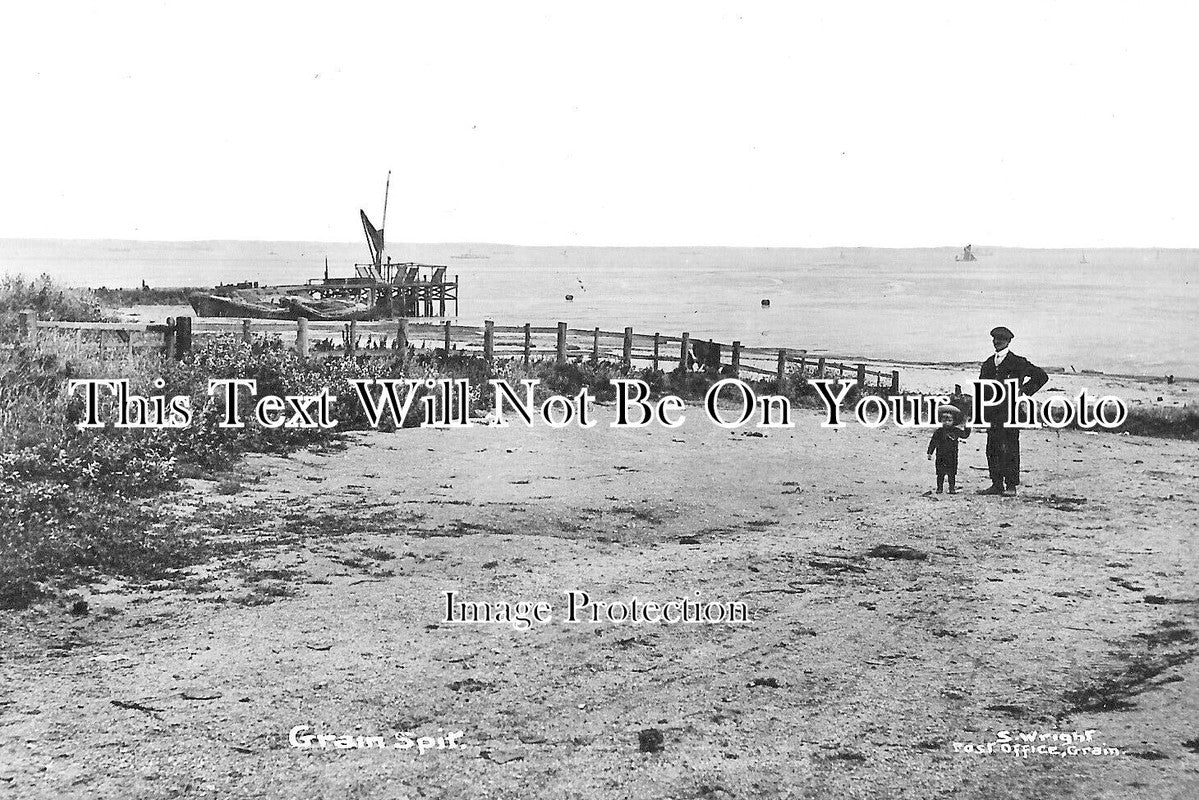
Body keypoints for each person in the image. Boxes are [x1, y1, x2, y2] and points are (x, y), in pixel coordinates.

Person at [977, 326, 1048, 496]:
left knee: (1010, 448)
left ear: (1008, 341)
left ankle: (1011, 486)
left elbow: (1041, 376)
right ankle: (996, 484)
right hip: (992, 413)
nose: (997, 342)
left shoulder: (1018, 362)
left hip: (1011, 413)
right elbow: (982, 389)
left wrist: (1024, 391)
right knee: (992, 448)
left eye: (1001, 339)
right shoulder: (988, 363)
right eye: (995, 339)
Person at [927, 406, 970, 493]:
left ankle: (952, 488)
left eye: (949, 421)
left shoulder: (956, 431)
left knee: (952, 474)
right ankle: (939, 488)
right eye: (944, 420)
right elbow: (933, 442)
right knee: (940, 474)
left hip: (952, 456)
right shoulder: (939, 431)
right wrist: (930, 452)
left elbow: (965, 435)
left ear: (953, 421)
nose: (947, 423)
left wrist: (967, 426)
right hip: (941, 456)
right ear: (941, 421)